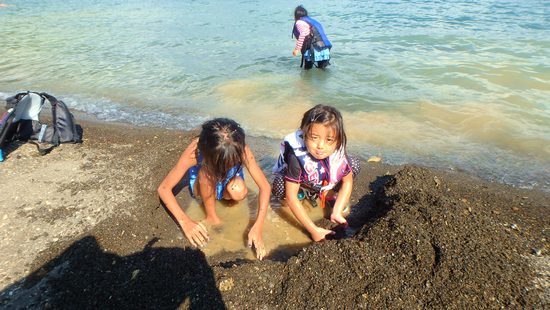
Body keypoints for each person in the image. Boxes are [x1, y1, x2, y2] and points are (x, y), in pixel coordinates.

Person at [158, 118, 271, 260]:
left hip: (227, 186)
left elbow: (265, 186)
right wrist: (185, 221)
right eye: (221, 164)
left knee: (238, 190)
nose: (225, 168)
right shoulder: (195, 151)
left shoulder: (238, 147)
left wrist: (258, 226)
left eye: (231, 162)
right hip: (202, 187)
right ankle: (212, 217)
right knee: (207, 172)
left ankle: (229, 201)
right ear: (206, 154)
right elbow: (164, 188)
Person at [272, 105, 361, 241]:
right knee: (279, 185)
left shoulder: (337, 150)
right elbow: (290, 196)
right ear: (303, 133)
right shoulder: (296, 156)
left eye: (329, 140)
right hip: (301, 182)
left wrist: (337, 211)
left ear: (338, 139)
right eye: (314, 137)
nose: (320, 145)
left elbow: (347, 181)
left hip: (322, 180)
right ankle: (293, 204)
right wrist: (313, 230)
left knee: (354, 165)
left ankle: (328, 195)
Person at [292, 5, 332, 70]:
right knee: (322, 70)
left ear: (295, 16)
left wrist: (297, 49)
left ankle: (306, 80)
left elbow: (302, 35)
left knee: (307, 70)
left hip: (312, 50)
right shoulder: (311, 21)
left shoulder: (299, 22)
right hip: (324, 49)